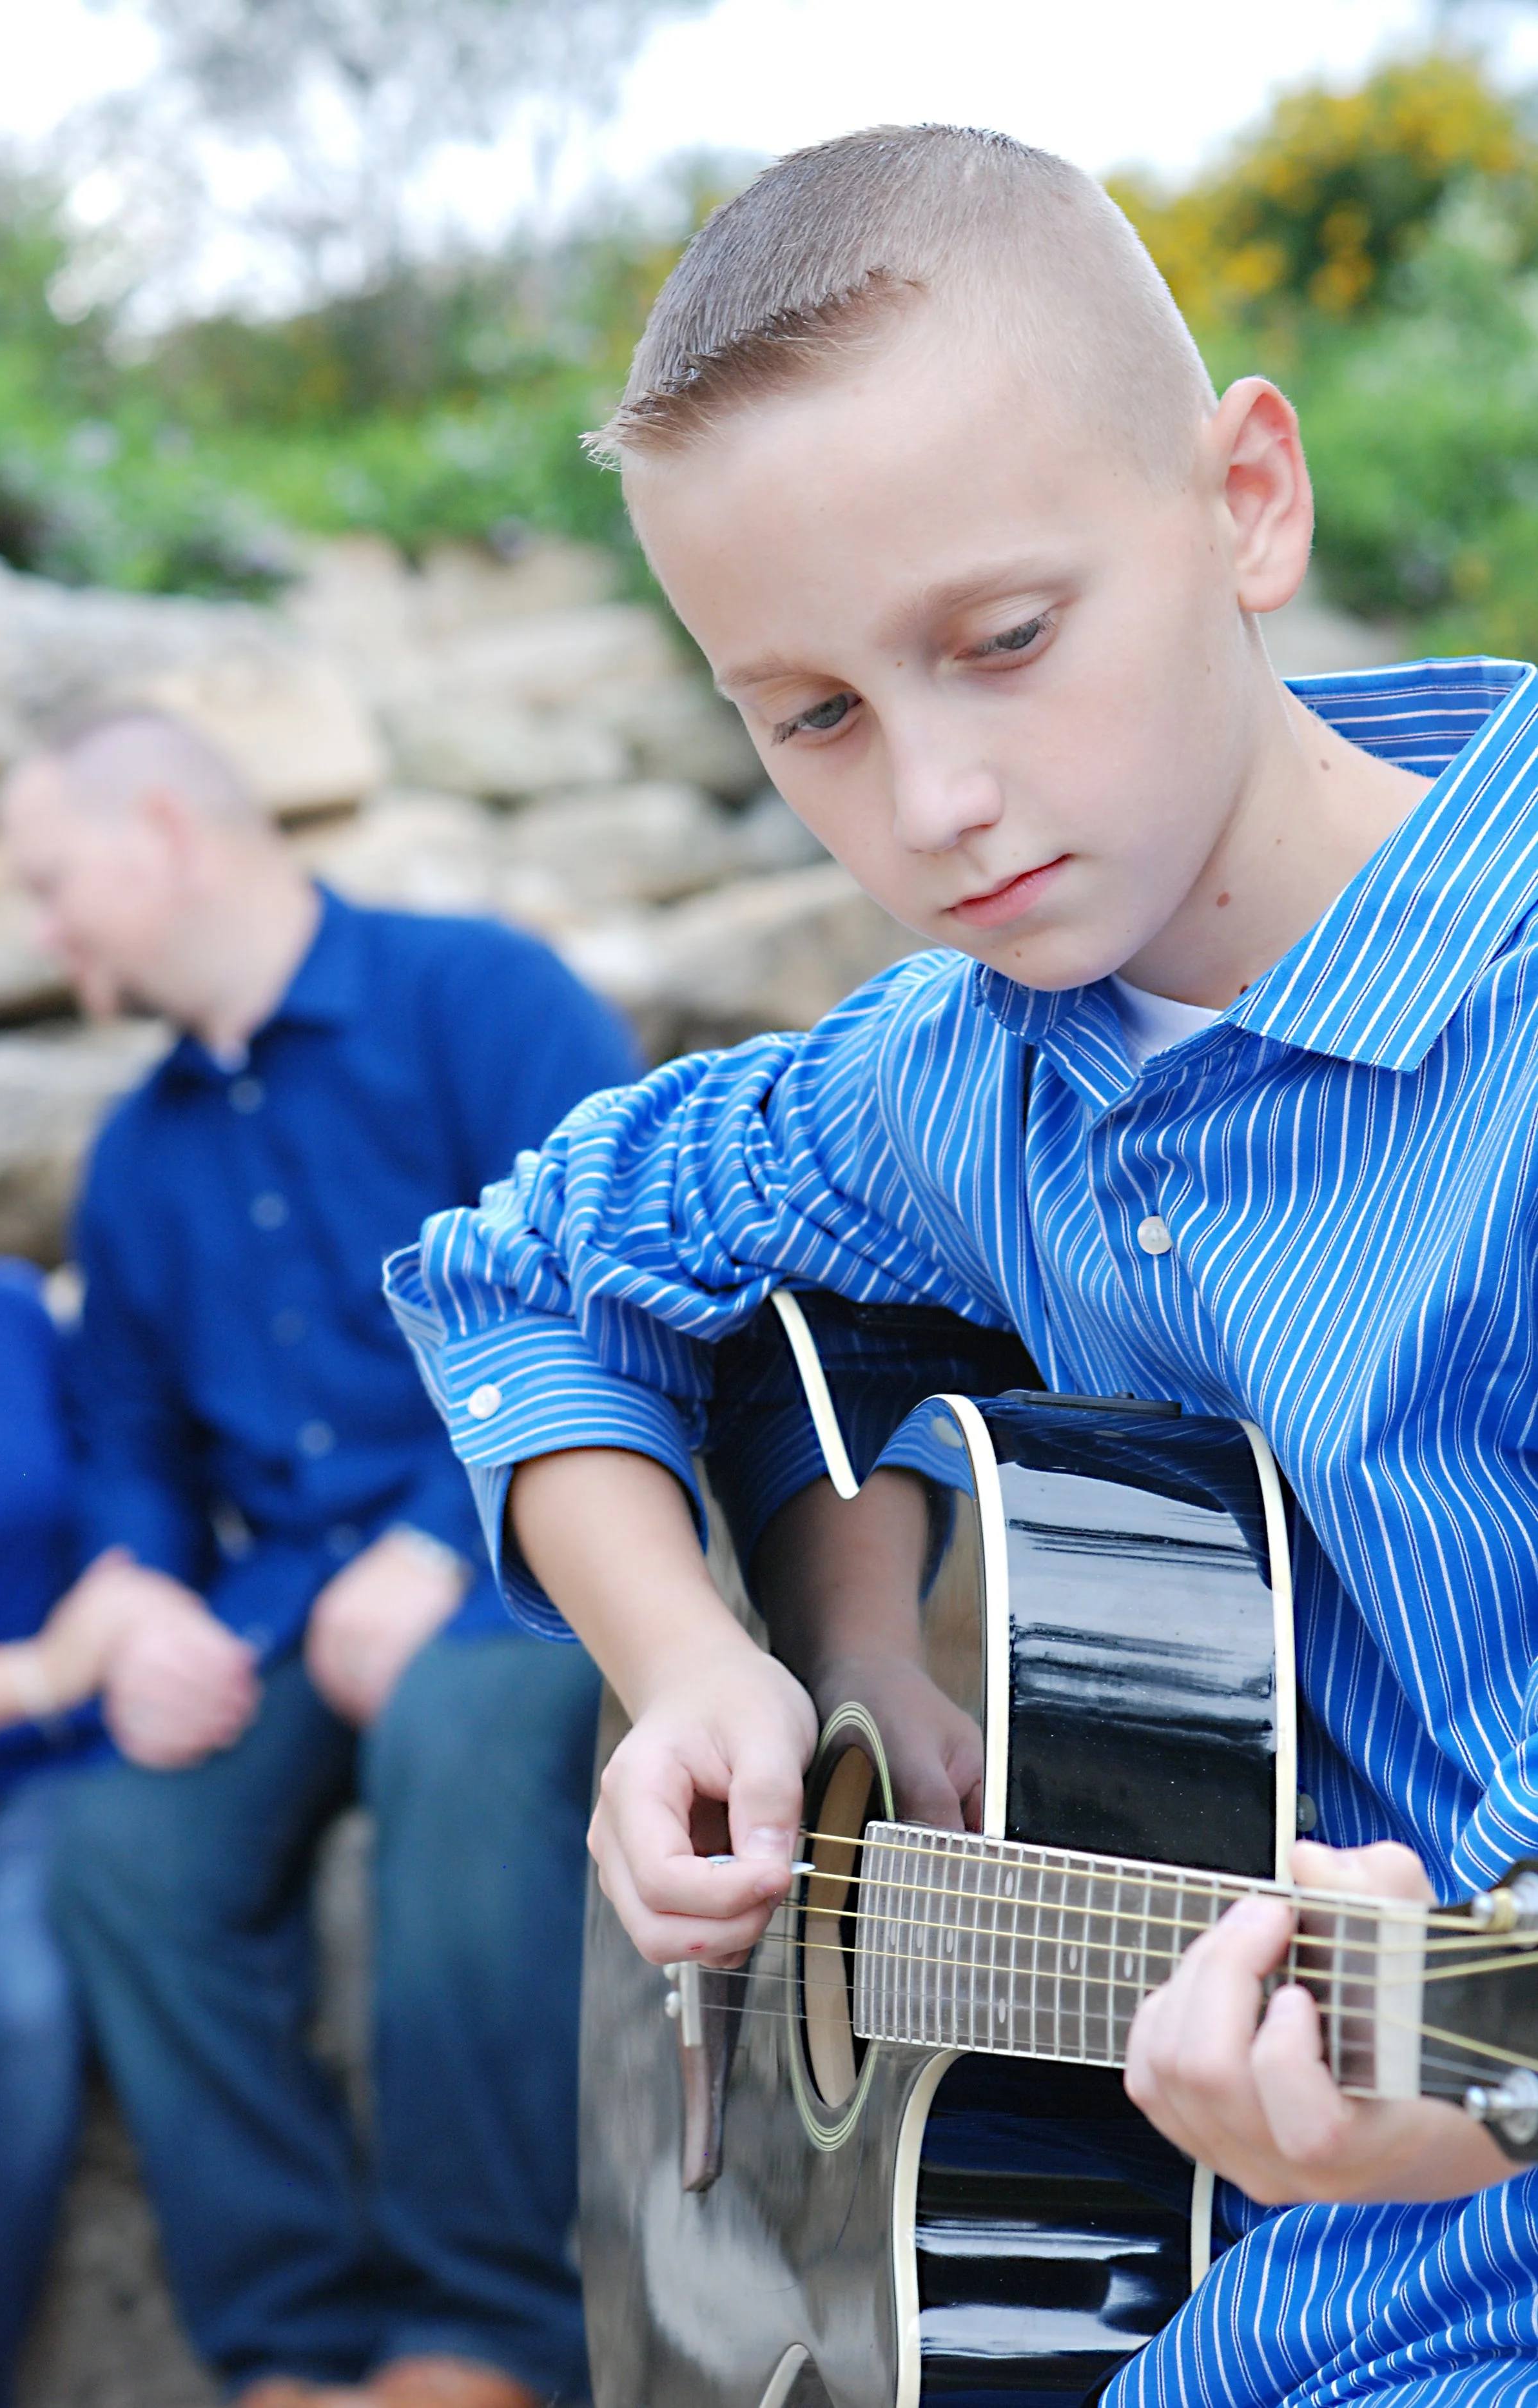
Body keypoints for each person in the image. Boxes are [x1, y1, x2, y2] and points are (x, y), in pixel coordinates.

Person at [385, 124, 1538, 2406]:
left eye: (1004, 643)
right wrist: (694, 1662)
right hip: (1237, 2266)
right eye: (811, 715)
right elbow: (516, 1264)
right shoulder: (964, 1073)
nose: (931, 803)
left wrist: (1438, 2084)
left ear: (1247, 505)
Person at [0, 711, 639, 2408]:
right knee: (126, 1845)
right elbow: (134, 1444)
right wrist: (133, 1591)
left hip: (538, 1559)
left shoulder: (478, 998)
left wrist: (445, 1532)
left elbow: (610, 1287)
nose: (47, 936)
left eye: (57, 887)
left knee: (459, 1723)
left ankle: (483, 2334)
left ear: (160, 827)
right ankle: (287, 2345)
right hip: (284, 1609)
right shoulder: (139, 1153)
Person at [0, 1191, 159, 2408]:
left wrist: (133, 1605)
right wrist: (33, 1671)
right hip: (10, 1717)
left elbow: (123, 1489)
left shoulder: (12, 1312)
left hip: (38, 1776)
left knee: (25, 2007)